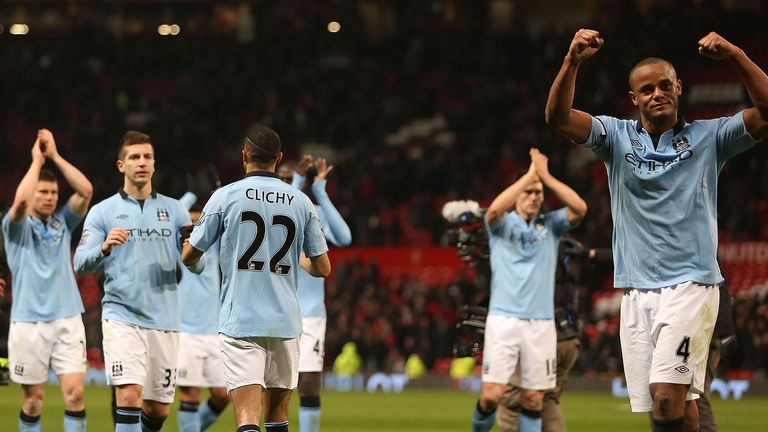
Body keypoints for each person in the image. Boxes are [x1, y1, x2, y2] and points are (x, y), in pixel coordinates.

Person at [545, 29, 768, 432]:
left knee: (667, 399)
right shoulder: (615, 137)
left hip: (691, 285)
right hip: (636, 290)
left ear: (679, 88)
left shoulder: (709, 137)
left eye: (665, 85)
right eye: (646, 89)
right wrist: (572, 60)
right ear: (634, 99)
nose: (657, 94)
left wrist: (734, 53)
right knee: (669, 409)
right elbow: (558, 118)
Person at [182, 125, 331, 432]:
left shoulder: (224, 197)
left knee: (247, 416)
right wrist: (296, 259)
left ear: (244, 156)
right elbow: (323, 267)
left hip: (241, 321)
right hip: (285, 322)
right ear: (279, 158)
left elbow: (190, 256)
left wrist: (189, 245)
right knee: (278, 417)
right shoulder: (300, 201)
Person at [74, 131, 191, 432]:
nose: (142, 162)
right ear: (120, 165)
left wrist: (194, 252)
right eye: (134, 157)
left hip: (166, 320)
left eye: (147, 157)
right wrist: (103, 248)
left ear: (154, 164)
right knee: (128, 398)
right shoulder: (103, 212)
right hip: (121, 317)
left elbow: (198, 267)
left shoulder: (176, 211)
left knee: (158, 410)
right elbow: (80, 264)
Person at [471, 148, 587, 432]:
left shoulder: (550, 226)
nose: (534, 196)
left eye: (538, 192)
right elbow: (496, 209)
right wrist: (529, 176)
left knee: (534, 399)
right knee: (492, 396)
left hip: (541, 324)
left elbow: (580, 208)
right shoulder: (501, 225)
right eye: (529, 192)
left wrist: (545, 177)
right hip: (504, 320)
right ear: (518, 193)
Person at [2, 129, 93, 432]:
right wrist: (36, 162)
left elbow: (86, 191)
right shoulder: (14, 227)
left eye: (53, 193)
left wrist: (54, 157)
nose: (50, 197)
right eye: (43, 192)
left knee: (76, 394)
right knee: (33, 401)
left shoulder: (63, 222)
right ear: (32, 195)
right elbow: (19, 202)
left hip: (67, 318)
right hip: (28, 322)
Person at [497, 244, 612, 432]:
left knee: (512, 405)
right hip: (569, 338)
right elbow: (617, 255)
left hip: (543, 335)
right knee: (547, 401)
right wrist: (591, 252)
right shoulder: (569, 246)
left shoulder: (531, 244)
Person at [278, 154, 352, 432]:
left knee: (308, 384)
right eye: (283, 179)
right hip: (277, 309)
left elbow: (344, 238)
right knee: (276, 386)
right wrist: (298, 182)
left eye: (291, 179)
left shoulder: (313, 212)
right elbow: (286, 213)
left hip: (310, 314)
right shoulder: (268, 213)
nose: (287, 185)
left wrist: (319, 191)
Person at [176, 192, 230, 432]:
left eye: (200, 223)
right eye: (191, 223)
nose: (195, 228)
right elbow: (173, 215)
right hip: (186, 332)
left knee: (223, 396)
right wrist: (189, 198)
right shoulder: (178, 245)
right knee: (191, 394)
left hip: (214, 332)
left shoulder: (214, 245)